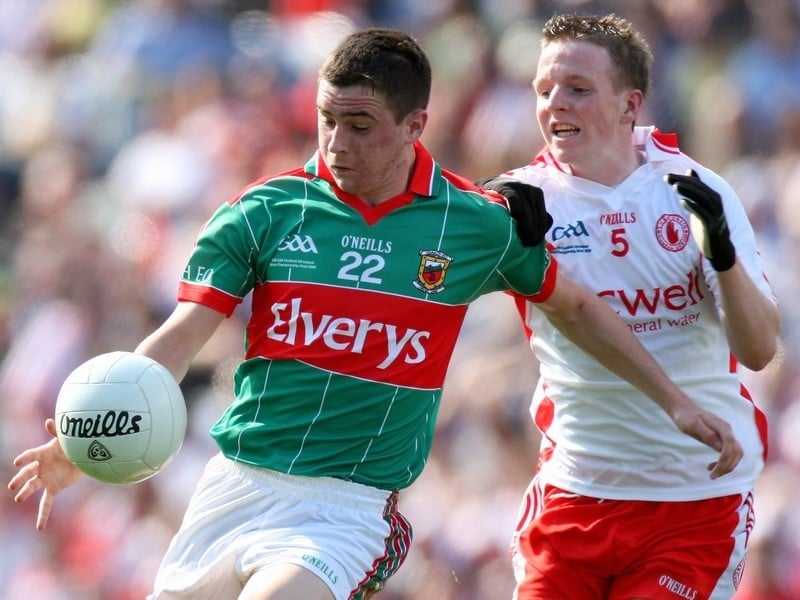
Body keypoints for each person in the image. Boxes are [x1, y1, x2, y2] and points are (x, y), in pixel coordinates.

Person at [8, 27, 742, 600]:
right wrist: (85, 439)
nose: (336, 142)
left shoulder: (473, 224)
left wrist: (674, 401)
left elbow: (578, 309)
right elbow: (179, 338)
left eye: (360, 125)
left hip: (346, 509)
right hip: (234, 484)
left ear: (415, 124)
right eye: (327, 119)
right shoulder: (263, 213)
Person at [479, 13, 781, 600]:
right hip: (574, 492)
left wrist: (721, 257)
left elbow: (759, 349)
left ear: (629, 104)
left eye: (578, 89)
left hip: (695, 500)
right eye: (544, 90)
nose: (555, 105)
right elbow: (425, 282)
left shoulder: (698, 190)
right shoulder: (516, 204)